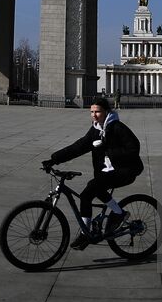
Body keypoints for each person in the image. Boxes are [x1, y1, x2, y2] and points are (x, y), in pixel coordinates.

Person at [42, 96, 143, 249]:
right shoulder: (96, 129)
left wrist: (108, 150)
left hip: (126, 170)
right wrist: (54, 159)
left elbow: (134, 148)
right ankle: (118, 213)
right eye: (92, 111)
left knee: (87, 193)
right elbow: (79, 147)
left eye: (98, 111)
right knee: (97, 187)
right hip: (106, 171)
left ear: (106, 112)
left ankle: (85, 234)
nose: (94, 115)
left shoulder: (117, 127)